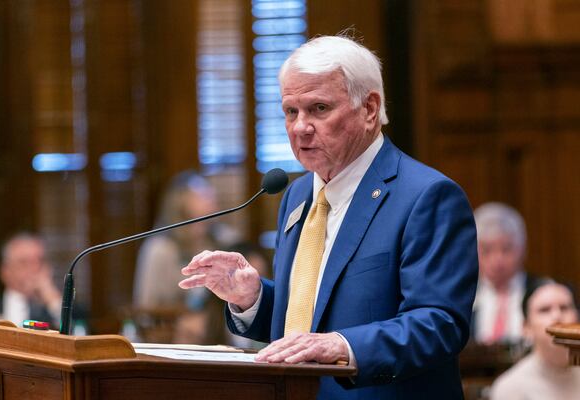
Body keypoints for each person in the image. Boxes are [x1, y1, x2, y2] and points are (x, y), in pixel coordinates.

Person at [180, 35, 478, 399]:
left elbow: (439, 323)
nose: (300, 127)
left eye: (319, 108)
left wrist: (343, 346)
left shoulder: (426, 196)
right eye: (291, 111)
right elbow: (309, 318)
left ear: (369, 109)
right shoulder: (296, 195)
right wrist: (253, 297)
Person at [133, 171, 239, 343]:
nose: (211, 197)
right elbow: (146, 307)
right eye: (202, 193)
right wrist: (186, 315)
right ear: (181, 200)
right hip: (168, 334)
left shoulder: (224, 240)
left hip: (217, 332)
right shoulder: (160, 248)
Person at [490, 278, 580, 399]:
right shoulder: (510, 388)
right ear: (526, 327)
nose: (557, 316)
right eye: (545, 310)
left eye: (564, 308)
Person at [471, 202, 531, 344]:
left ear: (522, 249)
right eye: (487, 250)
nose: (497, 260)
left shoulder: (544, 291)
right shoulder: (462, 296)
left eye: (506, 249)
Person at [0, 232, 62, 328]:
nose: (35, 268)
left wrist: (53, 300)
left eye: (40, 261)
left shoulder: (53, 310)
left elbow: (76, 332)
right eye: (24, 262)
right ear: (5, 272)